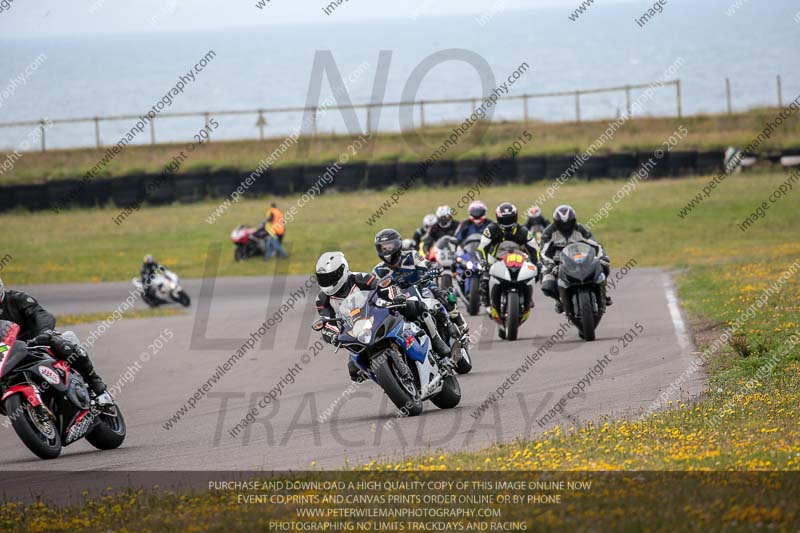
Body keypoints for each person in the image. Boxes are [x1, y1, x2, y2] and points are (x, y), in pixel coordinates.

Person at [0, 277, 112, 404]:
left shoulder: (17, 299)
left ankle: (98, 387)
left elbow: (41, 315)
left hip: (35, 343)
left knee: (64, 346)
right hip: (8, 356)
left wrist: (44, 333)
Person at [372, 229, 469, 359]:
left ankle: (460, 325)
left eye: (390, 246)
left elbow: (428, 264)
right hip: (400, 300)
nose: (387, 250)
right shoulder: (378, 271)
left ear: (398, 245)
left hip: (423, 287)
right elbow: (374, 289)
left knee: (444, 295)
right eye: (383, 248)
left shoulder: (412, 255)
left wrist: (433, 268)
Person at [540, 204, 613, 313]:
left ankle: (603, 294)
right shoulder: (549, 232)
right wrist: (550, 264)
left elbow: (596, 245)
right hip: (556, 263)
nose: (566, 226)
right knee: (547, 284)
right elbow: (542, 252)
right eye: (562, 224)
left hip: (580, 260)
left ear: (573, 220)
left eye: (569, 223)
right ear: (556, 222)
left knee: (603, 266)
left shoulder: (581, 229)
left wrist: (603, 256)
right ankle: (559, 301)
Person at [477, 202, 541, 312]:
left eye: (510, 219)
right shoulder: (491, 229)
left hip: (518, 258)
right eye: (504, 220)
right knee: (485, 275)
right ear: (498, 218)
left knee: (533, 274)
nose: (507, 222)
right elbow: (482, 247)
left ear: (515, 217)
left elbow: (534, 248)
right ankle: (486, 300)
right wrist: (483, 261)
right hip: (495, 259)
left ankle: (528, 298)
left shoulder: (523, 231)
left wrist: (537, 262)